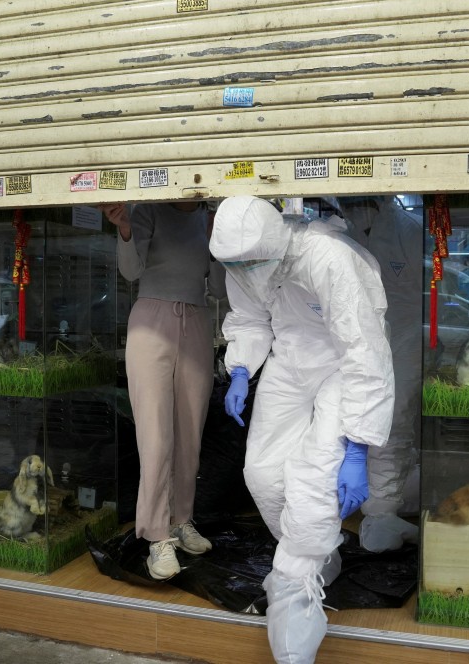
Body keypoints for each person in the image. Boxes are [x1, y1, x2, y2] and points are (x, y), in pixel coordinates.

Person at [210, 196, 394, 664]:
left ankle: (294, 596)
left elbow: (365, 352)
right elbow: (251, 318)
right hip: (291, 360)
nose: (244, 270)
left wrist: (355, 448)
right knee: (263, 472)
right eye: (235, 264)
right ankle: (317, 550)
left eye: (249, 261)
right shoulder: (245, 260)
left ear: (271, 244)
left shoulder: (330, 258)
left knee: (315, 477)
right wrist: (239, 369)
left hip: (341, 365)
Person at [100, 200, 222, 581]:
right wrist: (124, 230)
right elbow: (131, 271)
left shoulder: (211, 215)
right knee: (155, 436)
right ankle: (156, 536)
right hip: (150, 319)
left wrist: (218, 242)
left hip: (198, 319)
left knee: (190, 435)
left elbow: (218, 289)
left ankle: (181, 520)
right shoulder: (148, 208)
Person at [340, 196, 424, 552]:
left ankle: (384, 509)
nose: (355, 205)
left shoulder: (409, 231)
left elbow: (430, 287)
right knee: (356, 413)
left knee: (395, 418)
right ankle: (375, 503)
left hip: (404, 338)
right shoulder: (343, 234)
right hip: (359, 338)